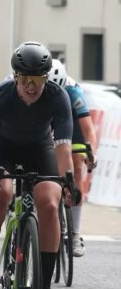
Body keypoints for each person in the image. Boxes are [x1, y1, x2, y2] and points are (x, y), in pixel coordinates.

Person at [0, 41, 74, 289]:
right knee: (2, 192)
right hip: (5, 150)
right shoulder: (0, 97)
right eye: (25, 79)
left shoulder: (58, 97)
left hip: (40, 149)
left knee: (48, 203)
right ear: (16, 77)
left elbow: (63, 148)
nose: (31, 86)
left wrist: (69, 182)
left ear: (46, 78)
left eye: (38, 80)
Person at [47, 60, 97, 257]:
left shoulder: (74, 92)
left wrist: (90, 153)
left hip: (71, 123)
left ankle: (75, 234)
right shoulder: (39, 89)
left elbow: (88, 130)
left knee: (76, 165)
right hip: (47, 120)